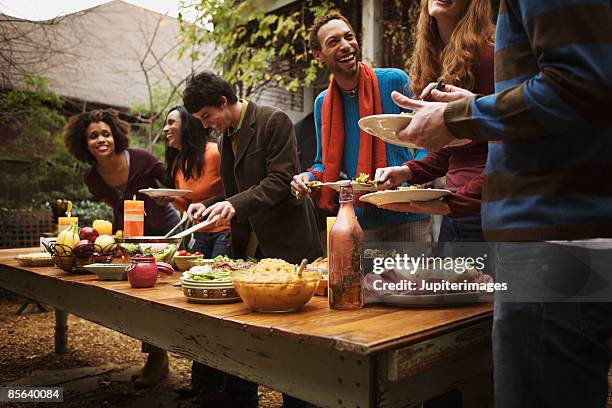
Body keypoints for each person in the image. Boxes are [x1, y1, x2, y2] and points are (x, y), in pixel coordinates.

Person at [390, 1, 612, 407]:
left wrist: (461, 116)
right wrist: (468, 113)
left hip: (552, 241)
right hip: (546, 239)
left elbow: (579, 85)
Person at [183, 70, 322, 408]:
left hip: (286, 240)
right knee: (240, 324)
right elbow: (237, 193)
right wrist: (211, 204)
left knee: (294, 334)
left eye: (206, 116)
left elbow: (280, 180)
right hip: (249, 243)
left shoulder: (274, 121)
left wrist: (233, 203)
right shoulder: (224, 135)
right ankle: (239, 394)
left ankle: (300, 401)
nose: (205, 125)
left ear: (223, 102)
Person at [64, 108, 179, 388]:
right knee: (138, 296)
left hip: (164, 232)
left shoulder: (142, 159)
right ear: (84, 142)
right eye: (93, 136)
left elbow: (177, 185)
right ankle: (157, 358)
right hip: (129, 238)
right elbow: (113, 204)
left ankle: (163, 359)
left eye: (105, 133)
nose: (101, 139)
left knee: (160, 296)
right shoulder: (92, 177)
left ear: (115, 135)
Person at [290, 13, 431, 243]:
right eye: (333, 42)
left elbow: (427, 137)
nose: (345, 46)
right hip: (360, 221)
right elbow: (323, 163)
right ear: (319, 55)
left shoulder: (395, 80)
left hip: (409, 215)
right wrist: (306, 177)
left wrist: (418, 175)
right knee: (366, 281)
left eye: (349, 37)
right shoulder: (322, 104)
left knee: (412, 280)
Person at [375, 0, 494, 245]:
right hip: (455, 212)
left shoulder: (489, 56)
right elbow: (450, 151)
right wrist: (408, 171)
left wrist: (456, 203)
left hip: (483, 213)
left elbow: (507, 147)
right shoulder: (437, 60)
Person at [160, 106, 232, 400]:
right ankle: (201, 382)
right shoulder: (179, 161)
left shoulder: (215, 152)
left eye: (170, 123)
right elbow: (185, 205)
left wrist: (206, 205)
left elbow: (233, 189)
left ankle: (222, 387)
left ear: (187, 125)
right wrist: (175, 200)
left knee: (218, 308)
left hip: (225, 232)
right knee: (196, 307)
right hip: (199, 236)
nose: (165, 129)